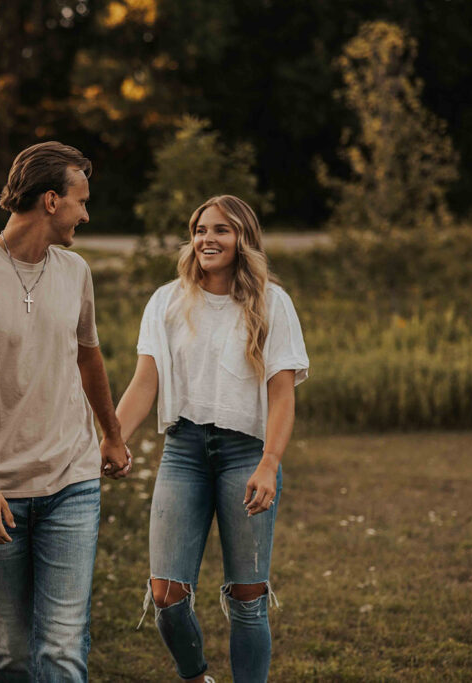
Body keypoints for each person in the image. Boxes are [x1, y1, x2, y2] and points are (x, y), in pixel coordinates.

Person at [0, 141, 132, 682]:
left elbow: (90, 358)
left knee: (62, 648)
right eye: (81, 201)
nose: (86, 214)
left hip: (72, 482)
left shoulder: (76, 271)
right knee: (12, 652)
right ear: (50, 201)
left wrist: (111, 435)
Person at [114, 195, 309, 682]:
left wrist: (270, 462)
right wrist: (112, 438)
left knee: (248, 597)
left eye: (221, 230)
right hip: (183, 452)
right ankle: (197, 677)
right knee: (166, 593)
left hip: (246, 453)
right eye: (200, 229)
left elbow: (282, 394)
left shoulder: (271, 302)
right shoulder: (167, 301)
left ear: (243, 238)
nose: (207, 239)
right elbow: (145, 382)